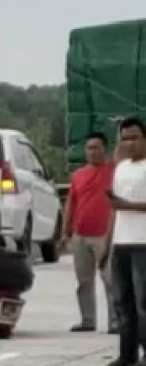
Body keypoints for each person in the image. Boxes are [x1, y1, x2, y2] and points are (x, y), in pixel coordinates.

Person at [61, 131, 116, 332]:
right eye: (89, 148)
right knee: (84, 281)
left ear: (105, 150)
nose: (92, 152)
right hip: (81, 234)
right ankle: (87, 320)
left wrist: (118, 130)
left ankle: (115, 321)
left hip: (104, 234)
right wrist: (64, 232)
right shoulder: (77, 175)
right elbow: (70, 204)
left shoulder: (113, 170)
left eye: (96, 148)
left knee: (110, 280)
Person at [103, 116, 146, 366]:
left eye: (135, 138)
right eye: (125, 138)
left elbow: (123, 205)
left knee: (144, 303)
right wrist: (108, 244)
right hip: (122, 242)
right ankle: (126, 353)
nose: (129, 143)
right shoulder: (121, 168)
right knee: (122, 301)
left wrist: (127, 206)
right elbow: (114, 210)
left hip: (143, 243)